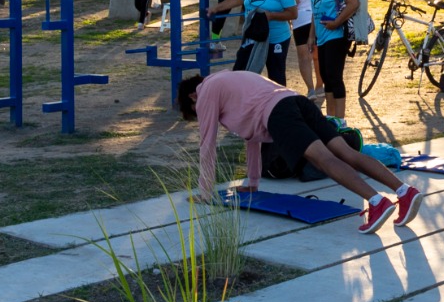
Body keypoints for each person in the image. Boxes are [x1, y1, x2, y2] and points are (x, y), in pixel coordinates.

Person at [178, 69, 422, 234]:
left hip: (280, 114)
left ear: (192, 95)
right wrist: (252, 182)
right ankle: (404, 191)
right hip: (297, 101)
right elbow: (251, 138)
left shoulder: (206, 92)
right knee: (347, 153)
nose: (201, 113)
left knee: (324, 160)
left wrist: (205, 191)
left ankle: (377, 201)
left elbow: (206, 143)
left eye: (195, 110)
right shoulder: (230, 80)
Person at [210, 0, 298, 84]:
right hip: (253, 35)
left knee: (276, 76)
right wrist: (216, 8)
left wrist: (271, 16)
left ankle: (279, 102)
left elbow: (293, 13)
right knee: (244, 71)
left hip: (276, 38)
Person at [307, 0, 359, 124]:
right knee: (326, 77)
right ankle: (330, 118)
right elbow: (315, 11)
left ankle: (341, 120)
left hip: (337, 35)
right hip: (321, 36)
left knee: (334, 76)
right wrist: (311, 35)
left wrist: (337, 21)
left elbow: (353, 3)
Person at [290, 0, 319, 96]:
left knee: (304, 57)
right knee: (318, 55)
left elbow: (295, 0)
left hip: (301, 19)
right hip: (318, 18)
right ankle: (321, 85)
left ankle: (310, 89)